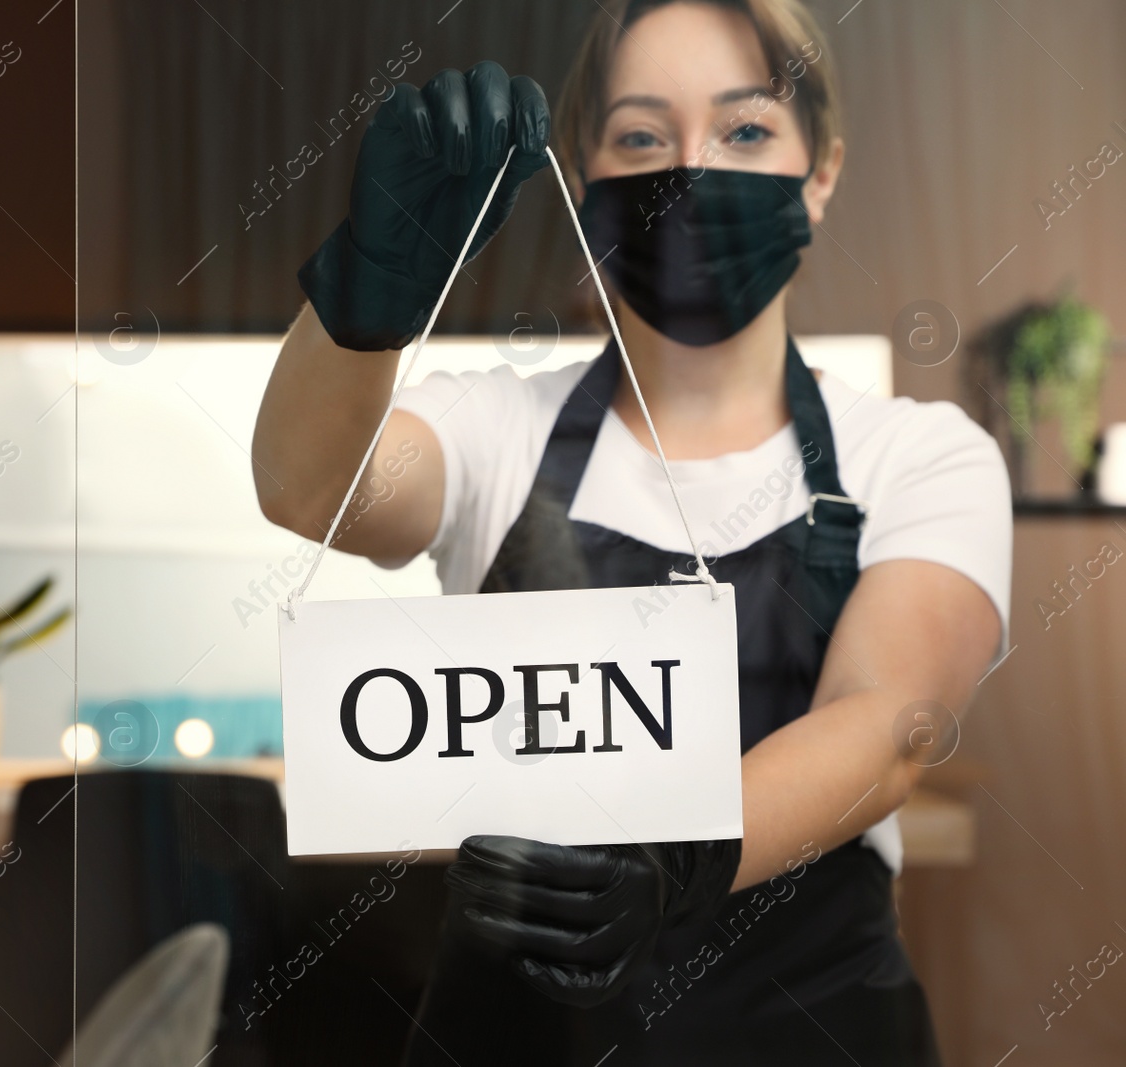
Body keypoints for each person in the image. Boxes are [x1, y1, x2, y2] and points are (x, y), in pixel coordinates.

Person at [252, 0, 1010, 1062]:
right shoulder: (497, 429)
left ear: (821, 170)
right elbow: (304, 483)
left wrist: (679, 852)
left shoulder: (920, 454)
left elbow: (888, 721)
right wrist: (367, 294)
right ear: (585, 176)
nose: (691, 173)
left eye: (745, 131)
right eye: (643, 137)